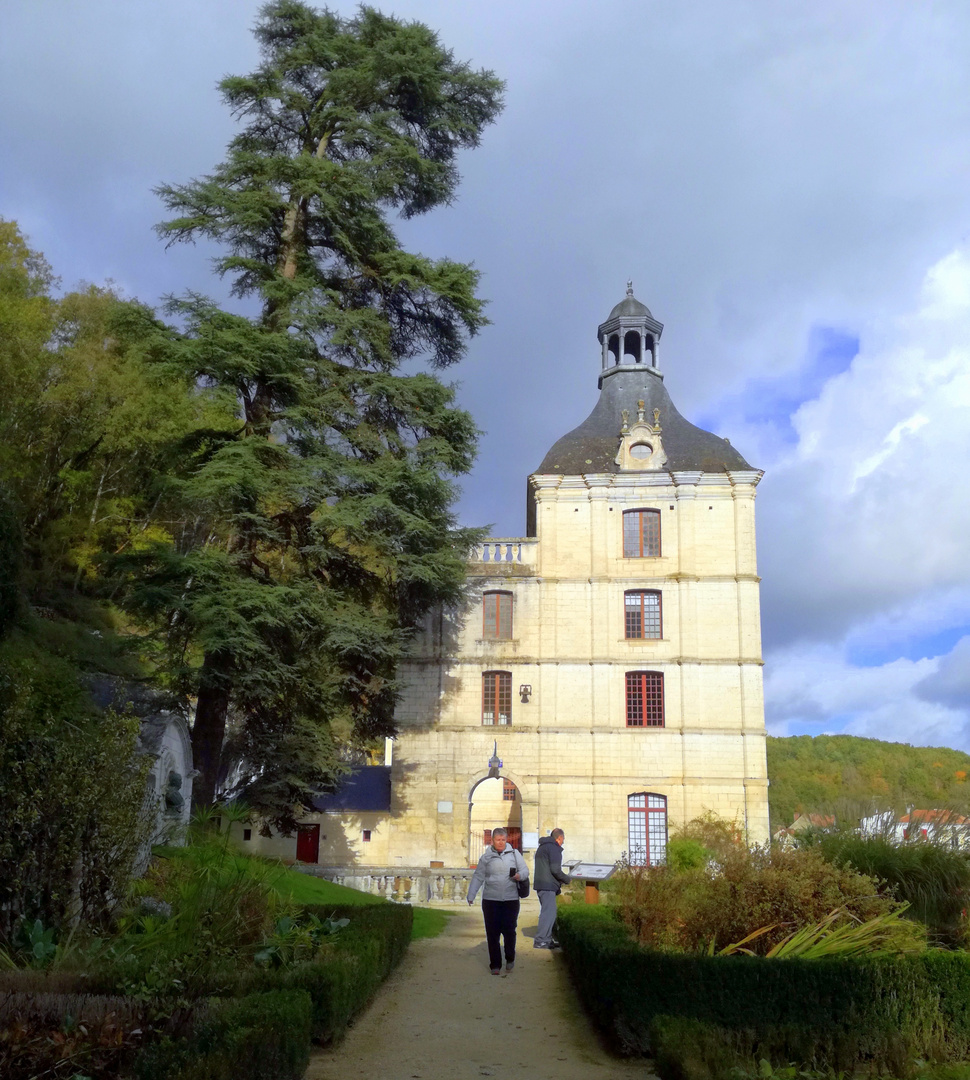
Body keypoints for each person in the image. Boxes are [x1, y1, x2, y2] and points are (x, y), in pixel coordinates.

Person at [467, 827, 529, 974]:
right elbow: (478, 876)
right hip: (491, 900)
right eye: (497, 840)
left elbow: (525, 870)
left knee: (509, 931)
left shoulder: (515, 854)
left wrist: (520, 875)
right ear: (492, 841)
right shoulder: (486, 857)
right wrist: (471, 894)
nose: (500, 842)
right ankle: (495, 964)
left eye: (503, 840)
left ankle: (510, 957)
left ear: (506, 840)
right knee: (492, 933)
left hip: (510, 899)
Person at [532, 827, 571, 949]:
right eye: (562, 840)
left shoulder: (542, 847)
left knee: (548, 912)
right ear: (559, 838)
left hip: (541, 884)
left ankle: (547, 939)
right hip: (548, 885)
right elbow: (555, 869)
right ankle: (541, 940)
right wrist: (567, 879)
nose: (563, 842)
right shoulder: (554, 848)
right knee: (548, 914)